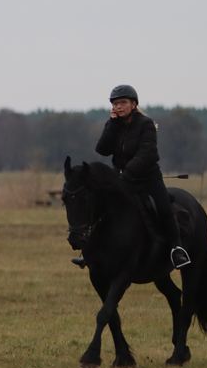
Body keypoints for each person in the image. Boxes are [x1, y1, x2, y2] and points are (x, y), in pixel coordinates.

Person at [73, 84, 190, 270]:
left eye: (122, 103)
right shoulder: (114, 124)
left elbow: (147, 154)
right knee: (101, 208)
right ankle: (90, 252)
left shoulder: (146, 124)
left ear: (133, 104)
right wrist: (111, 124)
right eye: (115, 104)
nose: (118, 106)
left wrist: (126, 174)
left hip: (148, 179)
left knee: (164, 208)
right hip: (121, 180)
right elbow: (102, 149)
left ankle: (177, 249)